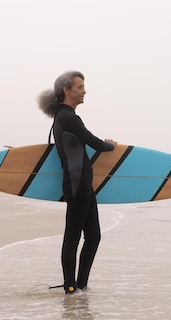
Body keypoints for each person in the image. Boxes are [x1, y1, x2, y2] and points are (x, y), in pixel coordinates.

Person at [37, 71, 117, 294]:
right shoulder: (68, 118)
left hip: (83, 184)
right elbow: (96, 144)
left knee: (93, 236)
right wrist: (110, 144)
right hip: (77, 184)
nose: (84, 91)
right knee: (72, 237)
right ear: (67, 90)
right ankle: (70, 286)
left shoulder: (63, 118)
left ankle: (80, 284)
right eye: (80, 87)